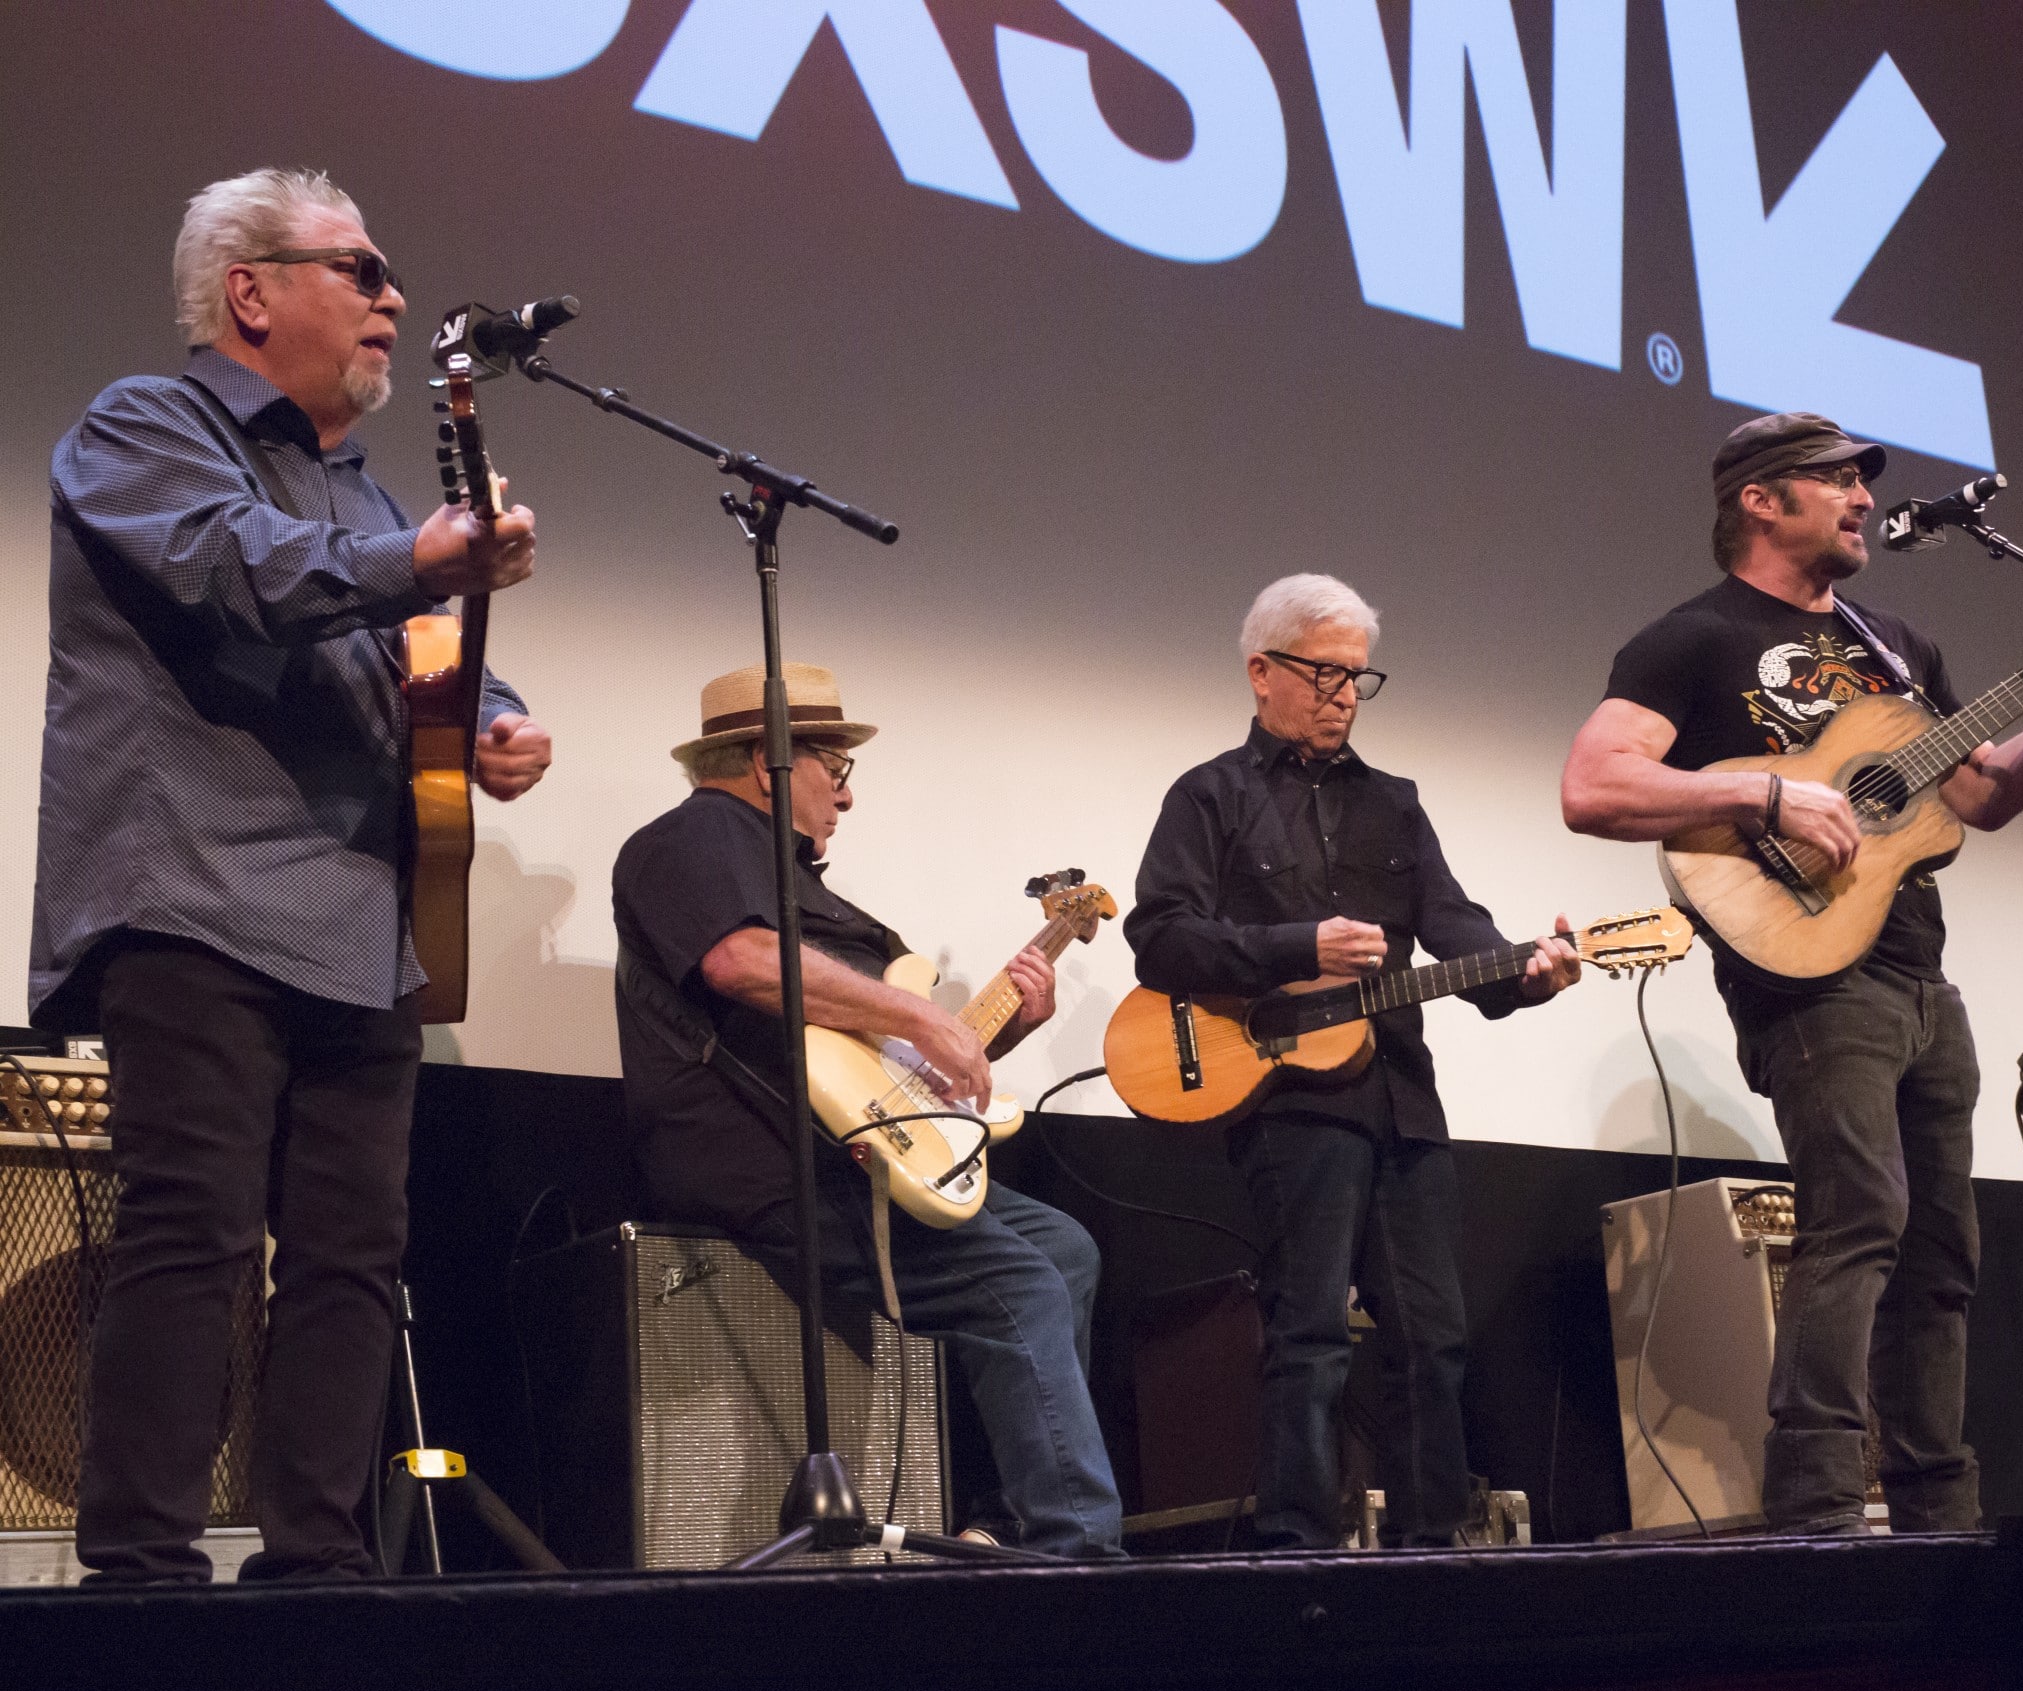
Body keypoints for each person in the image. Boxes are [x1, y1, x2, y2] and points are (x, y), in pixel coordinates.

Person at [32, 168, 549, 1582]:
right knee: (190, 1235)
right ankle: (141, 1572)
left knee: (349, 1257)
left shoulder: (356, 485)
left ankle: (318, 1570)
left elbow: (408, 639)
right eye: (362, 270)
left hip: (355, 919)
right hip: (192, 899)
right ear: (251, 292)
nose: (392, 299)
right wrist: (421, 555)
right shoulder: (147, 424)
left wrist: (491, 714)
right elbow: (234, 566)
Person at [1559, 412, 2023, 1534]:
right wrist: (1763, 793)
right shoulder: (1693, 640)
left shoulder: (1893, 645)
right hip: (1811, 977)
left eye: (1863, 483)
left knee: (1942, 1253)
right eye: (1835, 481)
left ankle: (1935, 1509)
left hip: (1920, 973)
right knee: (1859, 1217)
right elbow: (1592, 788)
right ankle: (1816, 1504)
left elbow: (1978, 798)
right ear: (1761, 501)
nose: (1865, 498)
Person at [611, 663, 1122, 1558]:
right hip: (775, 1157)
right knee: (1017, 1283)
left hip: (855, 1145)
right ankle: (1080, 1552)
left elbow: (892, 1068)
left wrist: (988, 1036)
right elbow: (740, 964)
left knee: (1064, 1249)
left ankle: (1002, 1523)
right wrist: (928, 1018)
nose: (847, 795)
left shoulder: (820, 897)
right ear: (769, 760)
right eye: (835, 767)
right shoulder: (690, 838)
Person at [1123, 573, 1580, 1549]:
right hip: (1289, 1110)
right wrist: (1297, 950)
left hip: (1402, 1107)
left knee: (1433, 1340)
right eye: (1324, 674)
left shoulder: (1395, 807)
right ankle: (1295, 1549)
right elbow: (1159, 939)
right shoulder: (1211, 796)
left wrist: (1526, 973)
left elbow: (1457, 929)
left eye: (1355, 679)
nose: (1341, 695)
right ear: (1261, 670)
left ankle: (1428, 1553)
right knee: (1309, 1337)